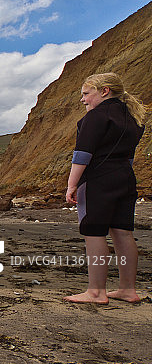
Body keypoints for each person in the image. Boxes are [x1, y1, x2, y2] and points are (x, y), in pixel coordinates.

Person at [64, 73, 147, 304]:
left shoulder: (95, 117)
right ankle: (128, 289)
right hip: (125, 177)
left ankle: (96, 292)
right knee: (122, 232)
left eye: (86, 94)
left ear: (104, 91)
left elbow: (82, 155)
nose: (83, 100)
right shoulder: (132, 118)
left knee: (94, 231)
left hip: (99, 179)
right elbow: (129, 157)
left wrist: (72, 185)